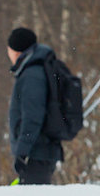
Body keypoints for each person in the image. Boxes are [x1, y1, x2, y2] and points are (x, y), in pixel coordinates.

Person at [7, 28, 64, 185]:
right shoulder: (33, 70)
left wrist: (22, 152)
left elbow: (33, 117)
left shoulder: (32, 75)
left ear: (16, 51)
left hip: (37, 153)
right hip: (38, 151)